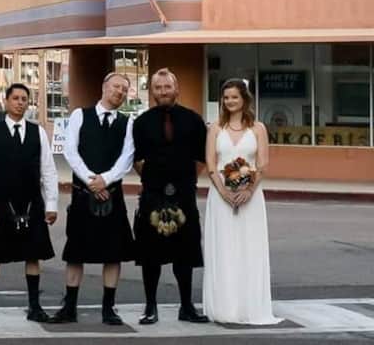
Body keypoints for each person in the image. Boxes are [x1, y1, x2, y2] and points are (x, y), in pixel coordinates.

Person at [50, 73, 136, 326]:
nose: (119, 92)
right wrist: (91, 180)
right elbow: (70, 151)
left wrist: (105, 180)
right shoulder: (80, 115)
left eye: (124, 89)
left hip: (112, 195)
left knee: (113, 254)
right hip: (83, 194)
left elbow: (127, 157)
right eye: (116, 87)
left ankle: (108, 309)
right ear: (104, 87)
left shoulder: (127, 123)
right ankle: (69, 307)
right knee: (76, 252)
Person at [0, 83, 58, 324]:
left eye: (24, 99)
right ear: (6, 101)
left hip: (32, 203)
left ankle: (35, 306)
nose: (20, 103)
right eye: (16, 98)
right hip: (2, 204)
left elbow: (48, 170)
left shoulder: (37, 132)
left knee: (33, 256)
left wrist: (51, 204)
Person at [132, 68, 209, 325]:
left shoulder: (194, 120)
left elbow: (201, 158)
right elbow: (137, 160)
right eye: (158, 87)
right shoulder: (141, 123)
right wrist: (154, 180)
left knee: (184, 253)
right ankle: (150, 306)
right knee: (150, 255)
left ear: (176, 89)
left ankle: (187, 306)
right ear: (152, 91)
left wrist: (184, 180)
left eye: (167, 87)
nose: (163, 92)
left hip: (184, 195)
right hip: (152, 195)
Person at [202, 79, 280, 325]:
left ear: (244, 99)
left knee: (249, 248)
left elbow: (263, 164)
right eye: (226, 97)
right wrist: (223, 192)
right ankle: (224, 307)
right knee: (224, 249)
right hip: (220, 196)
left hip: (251, 198)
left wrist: (248, 189)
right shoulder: (216, 128)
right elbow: (211, 164)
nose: (230, 101)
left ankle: (249, 306)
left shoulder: (258, 128)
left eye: (234, 97)